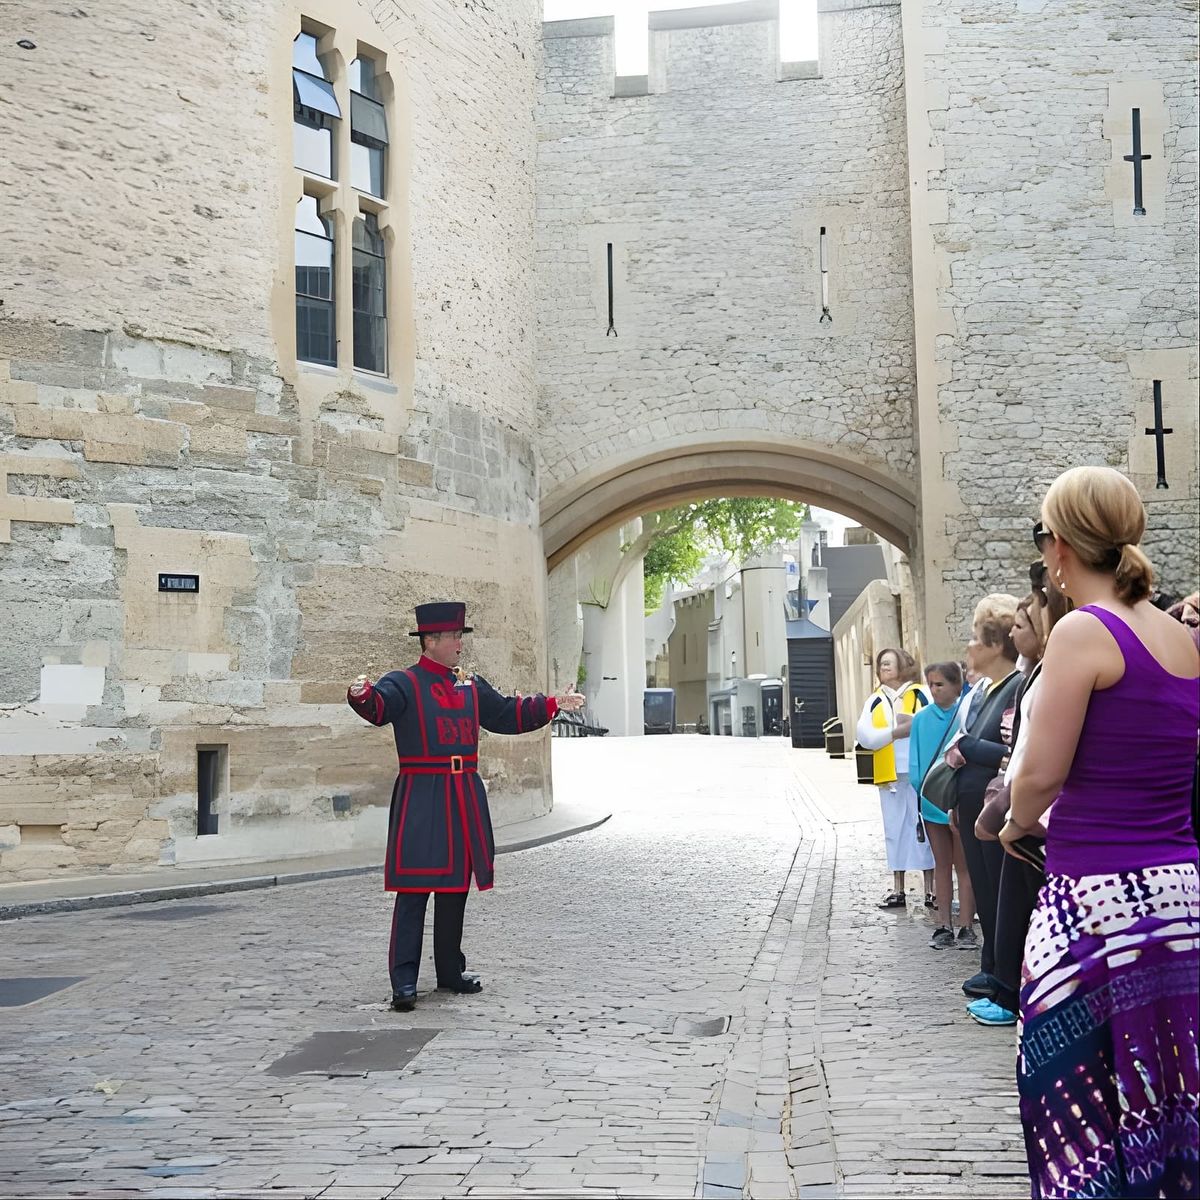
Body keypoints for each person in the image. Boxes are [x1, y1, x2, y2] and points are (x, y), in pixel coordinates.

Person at [1005, 466, 1199, 1199]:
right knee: (1167, 1090)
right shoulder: (1178, 637)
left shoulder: (1085, 631)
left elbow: (1040, 777)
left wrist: (1017, 822)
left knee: (1075, 1097)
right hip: (1179, 897)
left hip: (1096, 898)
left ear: (1058, 547)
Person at [347, 601, 586, 1012]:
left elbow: (507, 714)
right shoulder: (403, 682)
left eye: (461, 636)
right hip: (422, 795)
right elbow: (379, 708)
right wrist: (361, 696)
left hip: (462, 795)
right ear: (432, 640)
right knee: (414, 889)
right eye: (455, 636)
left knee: (456, 885)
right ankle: (403, 981)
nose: (461, 643)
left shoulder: (470, 684)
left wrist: (552, 704)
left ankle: (449, 971)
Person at [966, 581, 1068, 1027]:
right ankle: (1005, 980)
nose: (1014, 633)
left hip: (1036, 813)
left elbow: (1034, 754)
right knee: (1005, 903)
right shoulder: (1036, 672)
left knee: (1019, 906)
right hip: (1024, 808)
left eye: (1025, 622)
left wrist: (1014, 815)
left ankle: (1010, 990)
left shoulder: (1050, 670)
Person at [945, 593, 1022, 1001]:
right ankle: (991, 963)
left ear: (995, 645)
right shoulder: (992, 690)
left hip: (993, 805)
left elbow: (1012, 751)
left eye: (976, 638)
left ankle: (1000, 970)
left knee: (996, 891)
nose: (969, 647)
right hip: (973, 802)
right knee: (984, 889)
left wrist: (971, 748)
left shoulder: (1015, 687)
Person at [856, 648, 935, 909]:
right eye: (881, 664)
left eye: (889, 663)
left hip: (919, 773)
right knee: (894, 830)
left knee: (923, 829)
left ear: (903, 665)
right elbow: (865, 736)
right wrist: (895, 732)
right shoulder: (875, 699)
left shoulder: (921, 693)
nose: (884, 667)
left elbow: (934, 723)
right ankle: (898, 888)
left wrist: (911, 728)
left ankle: (930, 890)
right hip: (889, 775)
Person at [910, 661, 976, 949]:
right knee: (942, 864)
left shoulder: (968, 715)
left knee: (965, 866)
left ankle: (966, 925)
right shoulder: (921, 719)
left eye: (940, 684)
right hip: (933, 803)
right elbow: (915, 764)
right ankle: (943, 924)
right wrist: (926, 794)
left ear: (956, 685)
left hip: (960, 804)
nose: (934, 690)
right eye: (931, 684)